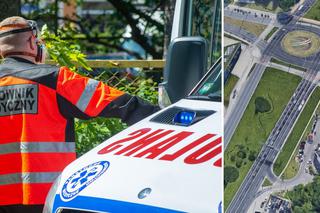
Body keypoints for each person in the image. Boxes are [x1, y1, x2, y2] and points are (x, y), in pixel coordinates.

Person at [0, 16, 159, 213]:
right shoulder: (54, 79)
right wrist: (162, 118)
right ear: (33, 42)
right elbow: (117, 102)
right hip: (48, 196)